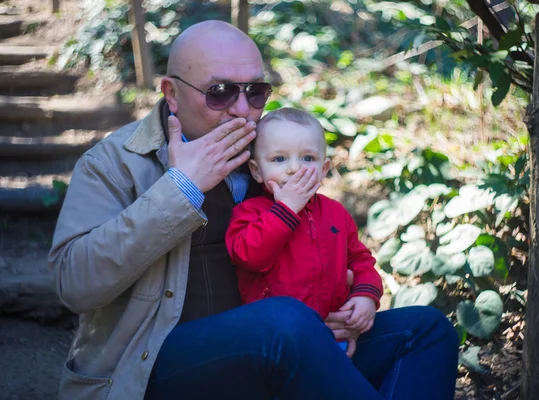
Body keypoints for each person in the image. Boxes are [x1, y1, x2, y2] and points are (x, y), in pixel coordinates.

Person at [48, 20, 458, 400]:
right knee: (283, 323)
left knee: (425, 331)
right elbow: (74, 284)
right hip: (154, 366)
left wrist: (344, 311)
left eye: (256, 92)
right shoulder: (114, 162)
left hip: (280, 346)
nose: (243, 110)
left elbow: (323, 250)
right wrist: (180, 189)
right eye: (220, 92)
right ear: (171, 93)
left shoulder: (273, 151)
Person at [226, 107, 383, 353]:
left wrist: (366, 296)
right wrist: (286, 210)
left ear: (324, 168)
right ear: (257, 171)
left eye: (307, 158)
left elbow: (361, 260)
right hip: (274, 339)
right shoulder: (251, 213)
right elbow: (249, 256)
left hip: (334, 334)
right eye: (279, 159)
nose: (294, 168)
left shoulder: (335, 214)